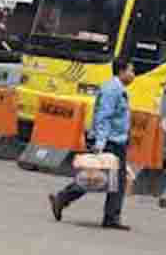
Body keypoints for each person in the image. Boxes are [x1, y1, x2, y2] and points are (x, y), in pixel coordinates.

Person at [48, 58, 135, 231]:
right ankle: (63, 199)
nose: (133, 75)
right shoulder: (113, 90)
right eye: (131, 71)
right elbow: (104, 117)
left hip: (116, 140)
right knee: (96, 178)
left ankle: (110, 216)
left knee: (114, 179)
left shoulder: (118, 89)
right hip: (110, 142)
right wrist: (101, 142)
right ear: (122, 71)